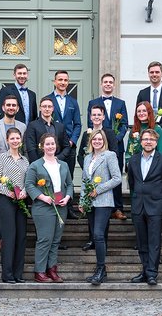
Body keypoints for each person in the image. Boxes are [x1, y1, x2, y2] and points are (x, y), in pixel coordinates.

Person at [127, 128, 162, 285]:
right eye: (145, 139)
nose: (148, 142)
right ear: (141, 141)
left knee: (154, 242)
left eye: (151, 139)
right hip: (138, 206)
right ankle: (145, 271)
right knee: (142, 242)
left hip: (155, 206)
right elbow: (132, 183)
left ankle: (152, 273)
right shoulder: (133, 160)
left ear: (156, 142)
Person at [26, 133, 72, 283]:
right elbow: (29, 185)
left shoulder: (63, 165)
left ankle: (52, 269)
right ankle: (39, 271)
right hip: (43, 208)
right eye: (47, 144)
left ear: (56, 146)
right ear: (42, 146)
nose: (50, 146)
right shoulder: (36, 165)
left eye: (52, 144)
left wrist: (68, 197)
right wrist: (42, 197)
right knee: (45, 239)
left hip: (61, 206)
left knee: (55, 240)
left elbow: (70, 184)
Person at [79, 129, 122, 285]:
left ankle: (101, 269)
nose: (97, 141)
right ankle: (99, 269)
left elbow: (117, 178)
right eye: (94, 139)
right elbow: (84, 181)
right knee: (95, 234)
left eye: (100, 139)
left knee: (98, 234)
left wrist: (99, 189)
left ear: (104, 140)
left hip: (104, 201)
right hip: (90, 203)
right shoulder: (87, 158)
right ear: (90, 141)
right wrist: (82, 201)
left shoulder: (109, 156)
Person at [0, 127, 30, 283]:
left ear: (20, 140)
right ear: (7, 140)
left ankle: (18, 273)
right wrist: (8, 192)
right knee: (9, 236)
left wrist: (25, 191)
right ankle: (7, 274)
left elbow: (28, 180)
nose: (15, 141)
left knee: (21, 236)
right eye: (12, 138)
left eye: (17, 138)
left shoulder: (25, 160)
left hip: (21, 200)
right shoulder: (1, 158)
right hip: (6, 200)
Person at [86, 76, 128, 221]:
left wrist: (115, 139)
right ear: (101, 84)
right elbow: (90, 124)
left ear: (114, 85)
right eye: (105, 82)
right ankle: (94, 205)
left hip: (114, 144)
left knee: (115, 177)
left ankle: (117, 208)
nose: (108, 84)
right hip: (96, 143)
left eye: (110, 82)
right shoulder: (93, 103)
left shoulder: (120, 103)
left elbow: (124, 124)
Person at [47, 70, 82, 169]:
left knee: (68, 176)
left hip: (69, 146)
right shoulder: (48, 100)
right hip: (52, 145)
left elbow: (77, 124)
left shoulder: (73, 102)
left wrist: (72, 141)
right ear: (55, 81)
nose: (63, 82)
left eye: (65, 80)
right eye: (60, 80)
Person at [23, 97, 70, 163]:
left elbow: (66, 147)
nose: (47, 109)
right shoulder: (32, 125)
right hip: (39, 165)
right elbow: (31, 148)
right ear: (40, 108)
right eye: (44, 106)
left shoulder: (60, 126)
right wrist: (39, 164)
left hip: (57, 164)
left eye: (49, 106)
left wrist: (58, 158)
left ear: (53, 108)